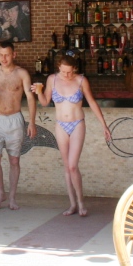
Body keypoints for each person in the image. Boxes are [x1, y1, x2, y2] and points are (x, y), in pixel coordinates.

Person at [32, 51, 110, 217]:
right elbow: (45, 102)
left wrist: (104, 125)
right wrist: (38, 91)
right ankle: (72, 204)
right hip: (60, 125)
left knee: (73, 166)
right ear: (58, 67)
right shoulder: (52, 79)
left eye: (69, 72)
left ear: (74, 69)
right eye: (63, 71)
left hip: (77, 124)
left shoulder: (81, 80)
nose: (66, 75)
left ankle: (81, 203)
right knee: (67, 166)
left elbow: (92, 102)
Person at [0, 41, 37, 210]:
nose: (3, 58)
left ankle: (12, 197)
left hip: (15, 119)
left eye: (7, 55)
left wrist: (32, 122)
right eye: (0, 55)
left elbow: (30, 98)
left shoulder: (22, 73)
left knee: (14, 160)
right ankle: (0, 192)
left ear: (14, 55)